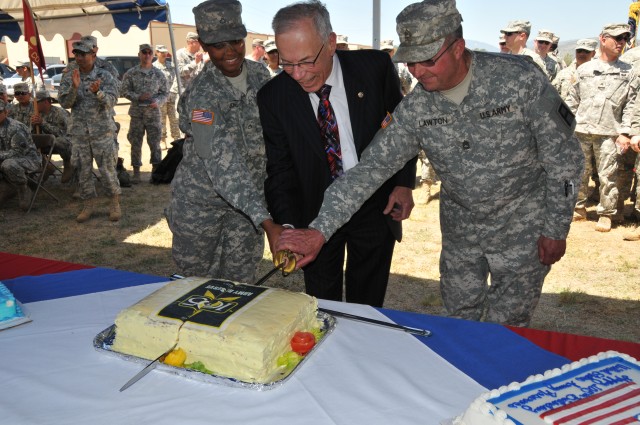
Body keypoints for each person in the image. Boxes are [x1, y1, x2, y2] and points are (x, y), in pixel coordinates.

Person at [276, 0, 584, 326]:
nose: (418, 72)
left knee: (506, 328)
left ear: (457, 48)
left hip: (523, 232)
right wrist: (319, 230)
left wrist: (555, 228)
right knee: (456, 324)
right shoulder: (416, 109)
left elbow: (565, 158)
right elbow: (368, 171)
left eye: (427, 60)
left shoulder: (519, 81)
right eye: (410, 63)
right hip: (462, 235)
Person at [257, 0, 416, 307]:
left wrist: (403, 182)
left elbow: (402, 130)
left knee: (367, 302)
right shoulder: (273, 97)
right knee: (322, 305)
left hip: (374, 205)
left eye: (305, 61)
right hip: (313, 214)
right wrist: (288, 229)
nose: (299, 75)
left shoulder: (375, 69)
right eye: (287, 64)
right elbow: (280, 169)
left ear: (330, 43)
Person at [167, 0, 281, 283]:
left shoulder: (259, 74)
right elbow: (221, 164)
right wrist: (266, 221)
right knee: (195, 286)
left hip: (247, 206)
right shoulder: (202, 95)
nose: (230, 51)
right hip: (202, 205)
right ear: (204, 46)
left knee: (240, 284)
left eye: (236, 41)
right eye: (219, 45)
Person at [566, 23, 639, 232]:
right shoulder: (585, 69)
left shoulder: (629, 72)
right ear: (603, 39)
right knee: (577, 173)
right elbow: (572, 101)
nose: (621, 42)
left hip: (609, 132)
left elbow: (631, 105)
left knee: (609, 175)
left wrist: (625, 132)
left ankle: (606, 213)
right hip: (581, 130)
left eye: (624, 38)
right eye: (617, 38)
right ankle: (577, 209)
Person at [58, 40, 121, 223]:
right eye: (76, 54)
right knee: (83, 171)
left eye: (83, 54)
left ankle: (114, 203)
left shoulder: (105, 76)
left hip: (102, 132)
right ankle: (88, 205)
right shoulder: (70, 76)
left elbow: (111, 101)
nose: (79, 57)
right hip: (80, 133)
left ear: (93, 55)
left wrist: (98, 93)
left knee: (107, 170)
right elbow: (65, 103)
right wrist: (74, 88)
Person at [121, 44, 168, 184]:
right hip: (137, 115)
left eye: (149, 52)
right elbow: (124, 91)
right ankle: (136, 172)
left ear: (152, 55)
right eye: (144, 52)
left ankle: (155, 171)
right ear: (139, 55)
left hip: (153, 114)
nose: (147, 55)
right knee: (135, 143)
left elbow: (165, 93)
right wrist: (137, 97)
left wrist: (157, 102)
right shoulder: (131, 73)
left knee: (155, 144)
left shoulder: (159, 74)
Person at [0, 99, 40, 210]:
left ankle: (23, 188)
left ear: (6, 112)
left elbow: (18, 152)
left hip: (27, 159)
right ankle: (6, 187)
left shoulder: (15, 127)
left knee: (8, 164)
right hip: (5, 159)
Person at [30, 89, 74, 183]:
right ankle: (46, 166)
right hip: (46, 145)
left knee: (58, 140)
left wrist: (43, 123)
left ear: (46, 101)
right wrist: (33, 125)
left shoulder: (60, 113)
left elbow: (64, 134)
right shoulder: (36, 114)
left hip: (65, 144)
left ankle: (67, 163)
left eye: (36, 102)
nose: (34, 105)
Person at [153, 44, 181, 149]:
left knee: (174, 119)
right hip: (161, 99)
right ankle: (162, 140)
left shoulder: (171, 66)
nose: (164, 54)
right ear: (156, 53)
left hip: (172, 98)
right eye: (161, 52)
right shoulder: (154, 67)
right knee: (161, 120)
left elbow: (176, 79)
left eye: (165, 52)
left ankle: (176, 139)